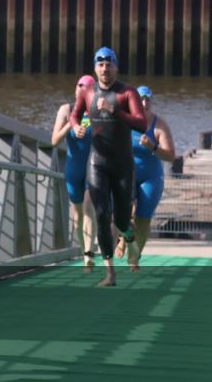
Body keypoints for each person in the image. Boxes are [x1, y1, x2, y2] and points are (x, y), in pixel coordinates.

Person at [70, 47, 147, 287]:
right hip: (97, 162)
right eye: (100, 64)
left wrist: (116, 111)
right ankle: (110, 273)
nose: (105, 69)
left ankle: (130, 240)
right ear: (95, 68)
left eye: (109, 64)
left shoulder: (127, 93)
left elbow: (143, 124)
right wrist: (75, 127)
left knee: (121, 219)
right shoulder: (86, 92)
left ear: (116, 67)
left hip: (123, 165)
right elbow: (74, 115)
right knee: (102, 215)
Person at [115, 86, 176, 263]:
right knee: (123, 214)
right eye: (141, 99)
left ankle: (134, 257)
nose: (144, 103)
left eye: (148, 99)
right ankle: (123, 238)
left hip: (151, 176)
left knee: (144, 217)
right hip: (127, 173)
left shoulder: (159, 124)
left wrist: (153, 146)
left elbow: (171, 156)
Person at [51, 75, 97, 271]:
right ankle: (82, 248)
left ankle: (88, 253)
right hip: (73, 167)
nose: (82, 89)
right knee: (77, 216)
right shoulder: (66, 109)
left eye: (87, 87)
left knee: (88, 206)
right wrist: (72, 124)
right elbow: (54, 140)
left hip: (92, 166)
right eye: (79, 86)